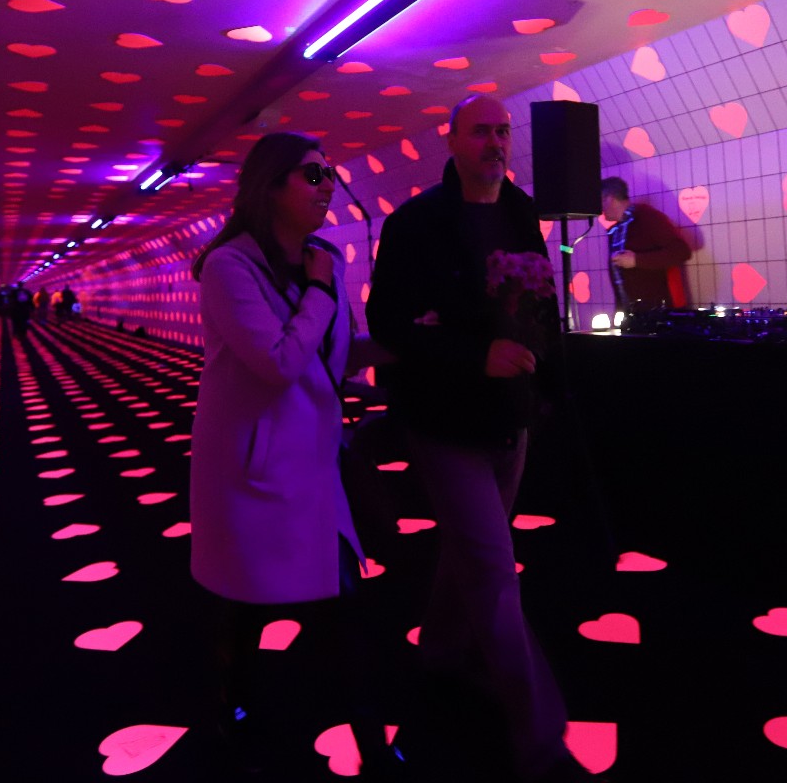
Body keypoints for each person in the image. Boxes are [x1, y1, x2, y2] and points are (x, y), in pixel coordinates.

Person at [367, 94, 598, 783]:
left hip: (510, 417)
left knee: (472, 549)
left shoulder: (522, 211)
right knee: (495, 570)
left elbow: (538, 304)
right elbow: (388, 325)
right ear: (452, 140)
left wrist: (551, 389)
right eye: (480, 132)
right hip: (444, 421)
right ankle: (541, 739)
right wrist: (475, 356)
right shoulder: (416, 223)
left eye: (502, 131)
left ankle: (440, 653)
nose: (495, 143)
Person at [188, 132, 397, 776]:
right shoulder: (228, 268)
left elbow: (331, 355)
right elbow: (278, 362)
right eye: (312, 175)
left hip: (312, 467)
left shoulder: (321, 259)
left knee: (342, 606)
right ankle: (231, 712)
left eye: (329, 174)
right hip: (252, 473)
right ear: (270, 186)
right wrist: (321, 291)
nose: (328, 184)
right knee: (245, 605)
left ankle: (373, 750)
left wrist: (409, 347)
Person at [600, 175, 692, 315]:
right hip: (631, 314)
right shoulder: (615, 231)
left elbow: (682, 251)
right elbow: (620, 282)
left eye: (600, 201)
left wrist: (637, 260)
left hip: (660, 313)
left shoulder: (646, 216)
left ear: (609, 199)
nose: (600, 209)